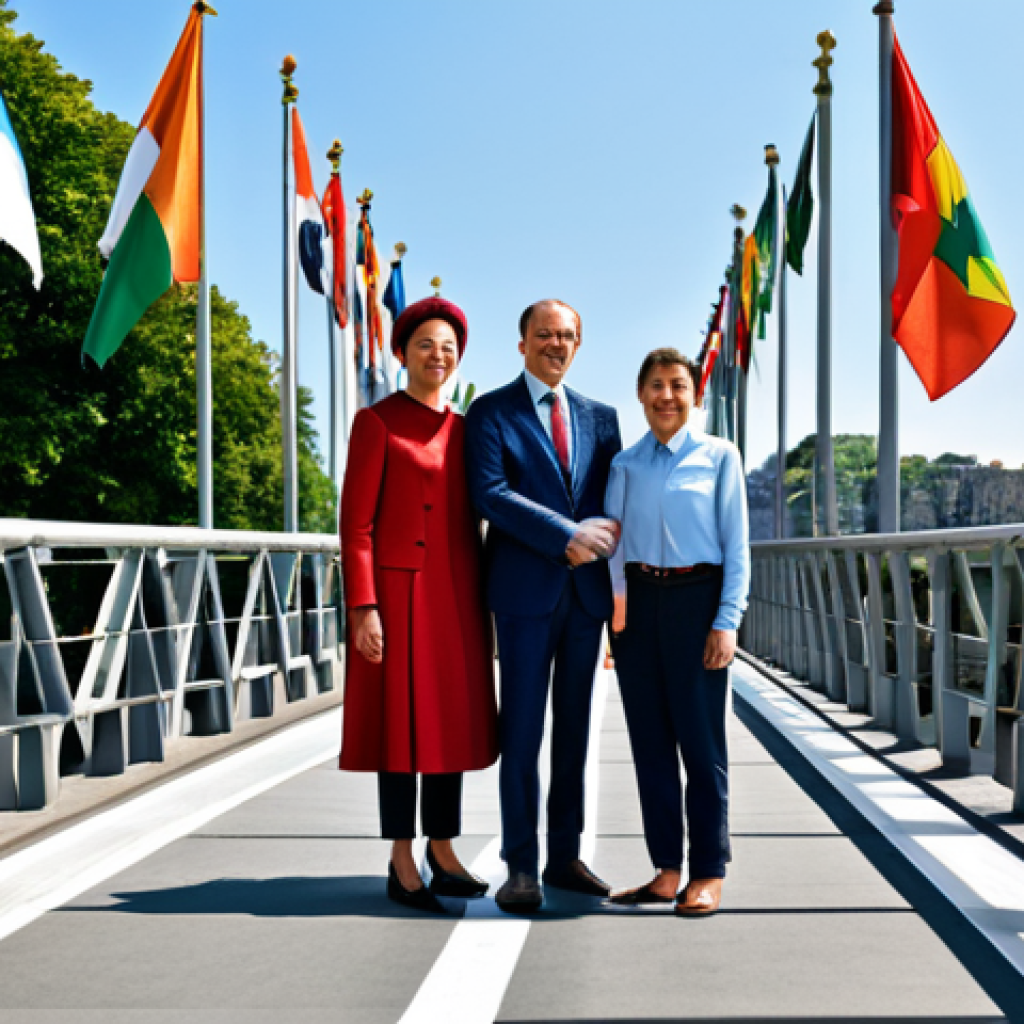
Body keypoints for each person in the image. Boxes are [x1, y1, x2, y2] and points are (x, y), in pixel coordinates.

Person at [339, 296, 498, 914]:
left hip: (457, 595)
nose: (439, 355)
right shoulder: (376, 422)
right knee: (401, 729)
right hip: (399, 597)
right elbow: (355, 528)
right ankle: (401, 856)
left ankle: (443, 847)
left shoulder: (466, 429)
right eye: (426, 344)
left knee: (449, 726)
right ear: (402, 351)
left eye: (449, 347)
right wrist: (364, 607)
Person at [465, 299, 622, 913]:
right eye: (545, 335)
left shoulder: (602, 418)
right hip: (525, 597)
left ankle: (564, 856)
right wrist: (566, 535)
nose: (556, 344)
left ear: (578, 344)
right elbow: (490, 494)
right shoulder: (490, 412)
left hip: (586, 600)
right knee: (524, 734)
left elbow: (617, 497)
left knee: (575, 736)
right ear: (523, 342)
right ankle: (520, 865)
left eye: (567, 336)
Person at [604, 347, 749, 917]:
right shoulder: (625, 464)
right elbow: (612, 545)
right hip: (638, 608)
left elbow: (736, 546)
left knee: (701, 743)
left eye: (678, 386)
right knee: (650, 746)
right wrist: (615, 615)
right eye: (657, 386)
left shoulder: (719, 457)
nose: (667, 395)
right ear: (640, 395)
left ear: (695, 395)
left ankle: (708, 872)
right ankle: (666, 870)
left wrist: (726, 621)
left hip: (698, 602)